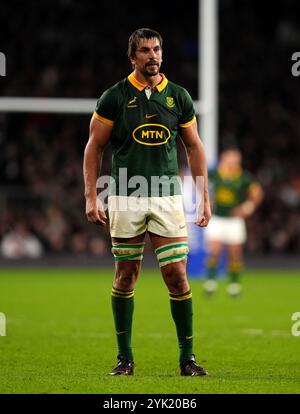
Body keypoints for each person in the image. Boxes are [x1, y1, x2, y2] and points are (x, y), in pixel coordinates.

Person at [83, 28, 211, 376]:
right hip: (126, 195)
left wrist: (203, 196)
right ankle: (125, 359)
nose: (152, 56)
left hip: (167, 197)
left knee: (176, 274)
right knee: (126, 275)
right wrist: (91, 195)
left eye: (156, 49)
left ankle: (188, 359)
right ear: (133, 57)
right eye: (144, 51)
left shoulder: (179, 97)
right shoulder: (115, 96)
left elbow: (194, 146)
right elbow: (94, 147)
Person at [204, 147, 264, 296]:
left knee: (235, 254)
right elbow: (200, 184)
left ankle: (234, 285)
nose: (233, 162)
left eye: (236, 159)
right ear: (223, 158)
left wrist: (247, 208)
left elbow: (257, 193)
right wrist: (206, 201)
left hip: (234, 221)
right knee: (214, 251)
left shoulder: (243, 177)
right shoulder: (215, 173)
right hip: (217, 218)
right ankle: (210, 283)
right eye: (230, 158)